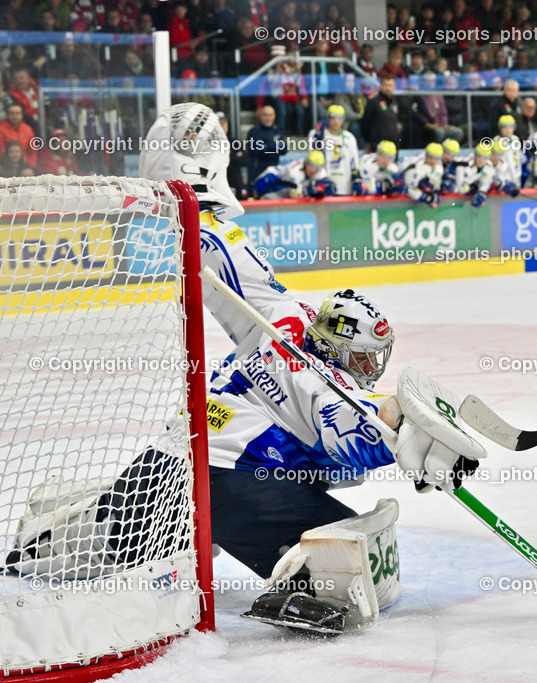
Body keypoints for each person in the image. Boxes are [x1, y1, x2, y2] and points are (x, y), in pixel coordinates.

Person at [132, 102, 486, 633]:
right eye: (363, 356)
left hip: (174, 468)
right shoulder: (301, 351)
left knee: (85, 549)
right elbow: (342, 412)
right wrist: (401, 425)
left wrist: (405, 438)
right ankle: (296, 587)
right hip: (208, 478)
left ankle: (61, 539)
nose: (367, 367)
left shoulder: (288, 319)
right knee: (341, 562)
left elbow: (340, 420)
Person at [308, 104, 360, 195]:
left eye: (339, 118)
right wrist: (318, 138)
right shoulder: (317, 134)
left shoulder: (350, 137)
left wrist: (356, 178)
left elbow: (354, 161)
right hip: (324, 183)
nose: (336, 122)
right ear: (328, 118)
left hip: (345, 186)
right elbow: (312, 156)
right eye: (333, 118)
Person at [251, 150, 337, 199]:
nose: (313, 170)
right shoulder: (294, 172)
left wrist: (328, 188)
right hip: (273, 180)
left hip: (286, 189)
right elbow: (293, 194)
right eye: (311, 165)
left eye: (317, 167)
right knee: (259, 198)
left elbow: (326, 184)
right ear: (306, 163)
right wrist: (309, 190)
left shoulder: (320, 172)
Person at [246, 105, 285, 194]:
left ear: (274, 116)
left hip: (273, 176)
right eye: (265, 115)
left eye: (270, 115)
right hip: (257, 175)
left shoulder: (277, 131)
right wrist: (275, 147)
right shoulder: (254, 132)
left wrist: (267, 146)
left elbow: (284, 149)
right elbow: (258, 150)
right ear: (260, 116)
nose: (268, 118)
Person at [360, 74, 401, 152]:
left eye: (390, 85)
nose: (388, 88)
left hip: (393, 144)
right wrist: (369, 141)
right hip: (377, 144)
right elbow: (365, 123)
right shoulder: (373, 102)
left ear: (394, 87)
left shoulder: (395, 102)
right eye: (385, 85)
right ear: (381, 86)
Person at [403, 141, 444, 208]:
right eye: (431, 157)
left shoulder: (439, 168)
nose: (433, 161)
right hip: (406, 203)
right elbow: (409, 190)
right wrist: (425, 197)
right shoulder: (417, 167)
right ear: (426, 156)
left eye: (436, 158)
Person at [493, 116, 525, 196]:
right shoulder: (496, 142)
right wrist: (502, 183)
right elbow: (496, 165)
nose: (508, 130)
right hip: (504, 183)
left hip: (516, 179)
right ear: (500, 128)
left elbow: (518, 159)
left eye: (510, 127)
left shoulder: (515, 139)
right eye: (505, 127)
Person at [459, 142, 498, 208]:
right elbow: (461, 184)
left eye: (484, 158)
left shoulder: (489, 166)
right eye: (479, 156)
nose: (481, 160)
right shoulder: (467, 164)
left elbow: (489, 182)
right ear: (475, 156)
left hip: (477, 186)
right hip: (463, 189)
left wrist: (481, 193)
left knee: (487, 179)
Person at [0, 103, 38, 168]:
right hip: (5, 164)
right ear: (7, 115)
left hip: (24, 164)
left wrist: (31, 167)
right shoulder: (1, 129)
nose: (15, 116)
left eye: (17, 113)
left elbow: (32, 152)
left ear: (22, 115)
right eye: (12, 113)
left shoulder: (28, 129)